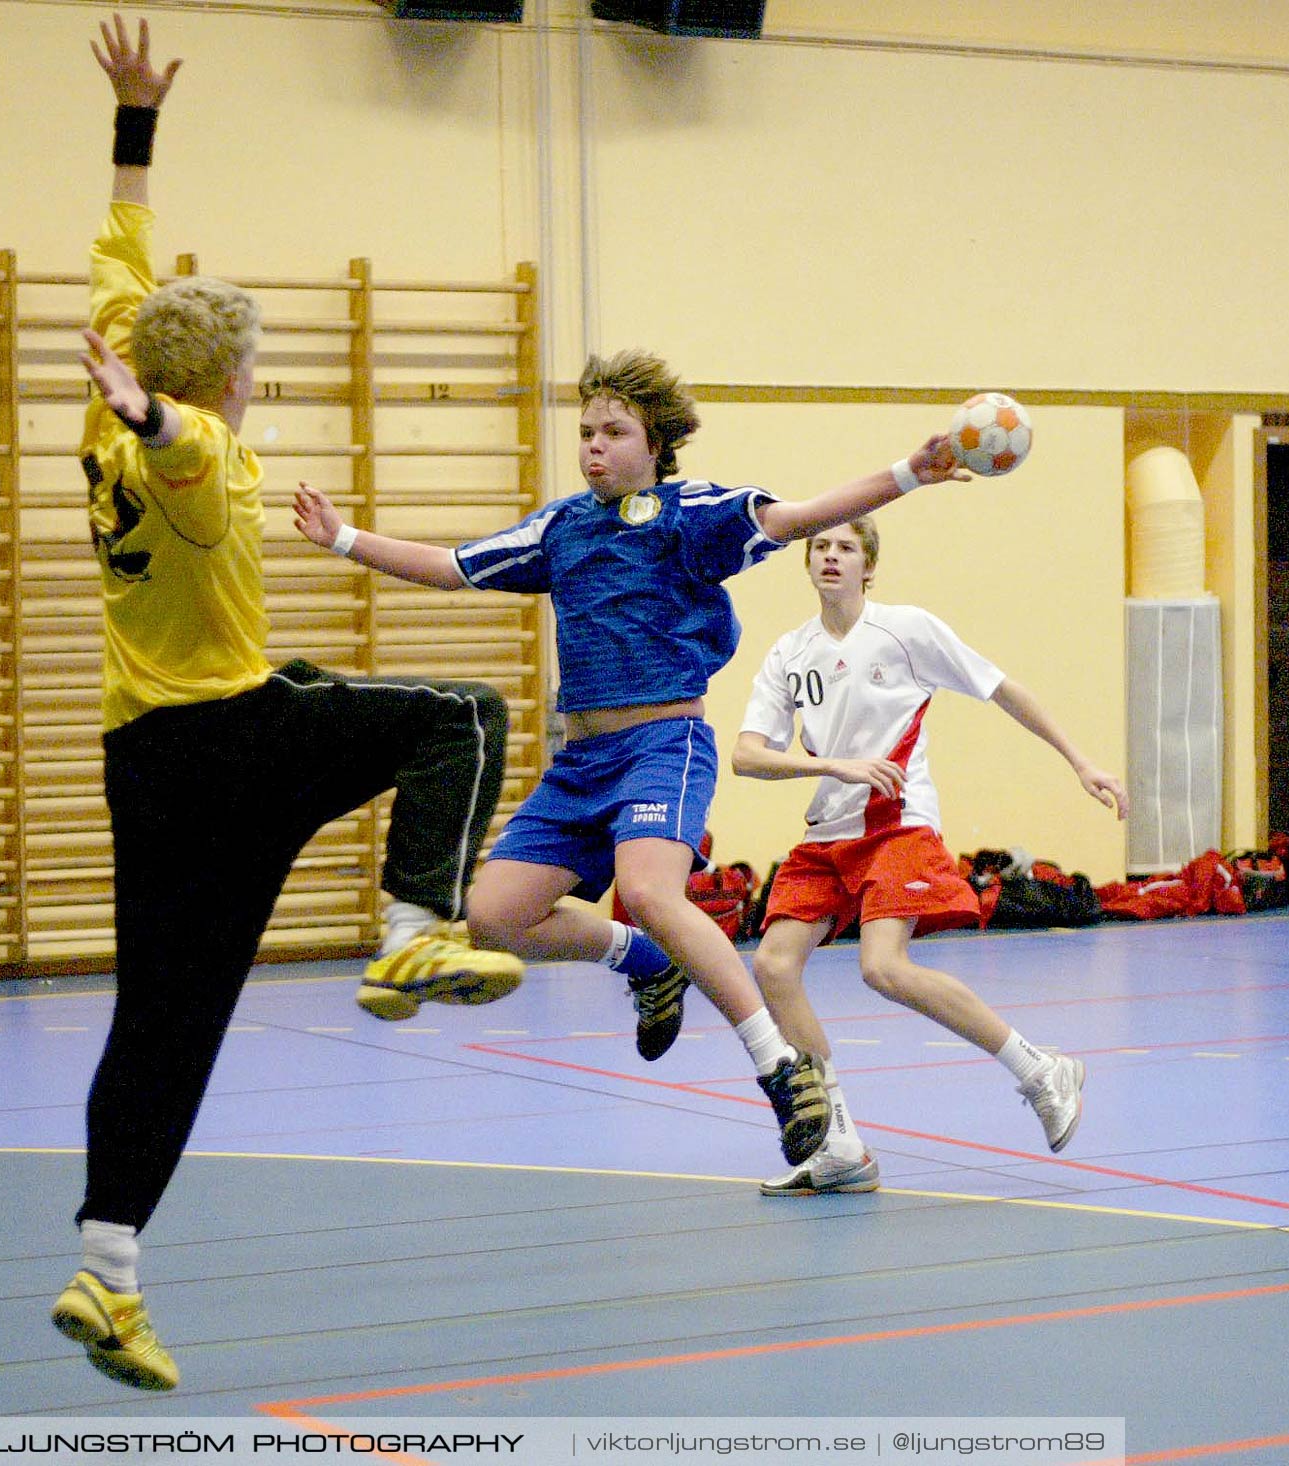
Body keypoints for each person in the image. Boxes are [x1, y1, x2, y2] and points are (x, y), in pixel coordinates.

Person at [52, 15, 523, 1392]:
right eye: (247, 372)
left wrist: (135, 129)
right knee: (464, 715)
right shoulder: (206, 464)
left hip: (143, 759)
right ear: (225, 384)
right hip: (230, 742)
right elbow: (187, 447)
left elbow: (117, 257)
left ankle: (109, 1268)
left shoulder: (102, 408)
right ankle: (411, 931)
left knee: (166, 1022)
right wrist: (162, 420)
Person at [294, 348, 969, 1171]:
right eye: (585, 432)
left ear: (656, 446)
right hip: (581, 763)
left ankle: (783, 1071)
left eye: (614, 432)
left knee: (649, 889)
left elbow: (797, 516)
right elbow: (449, 568)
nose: (594, 447)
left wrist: (910, 473)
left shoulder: (692, 515)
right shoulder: (562, 528)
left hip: (664, 744)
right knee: (496, 917)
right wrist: (342, 539)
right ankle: (644, 960)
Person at [733, 517, 1128, 1197]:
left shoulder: (906, 630)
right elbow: (747, 755)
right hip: (828, 831)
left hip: (897, 824)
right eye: (820, 547)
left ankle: (1040, 1070)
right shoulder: (789, 654)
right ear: (807, 563)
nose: (831, 556)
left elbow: (1004, 689)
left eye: (846, 548)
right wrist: (834, 766)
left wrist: (1079, 761)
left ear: (868, 566)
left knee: (883, 967)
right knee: (772, 964)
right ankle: (838, 1145)